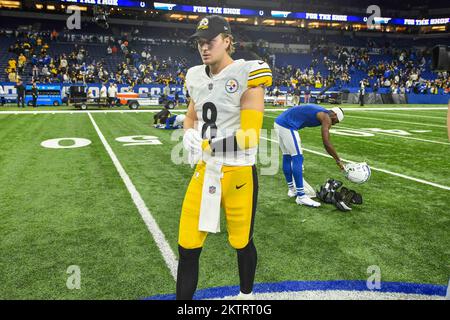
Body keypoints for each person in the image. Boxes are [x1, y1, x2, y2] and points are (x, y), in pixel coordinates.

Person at [177, 15, 272, 300]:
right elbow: (191, 116)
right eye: (200, 43)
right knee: (187, 244)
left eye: (211, 41)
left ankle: (246, 296)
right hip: (206, 170)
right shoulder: (194, 75)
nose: (204, 48)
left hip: (239, 172)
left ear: (228, 41)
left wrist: (205, 144)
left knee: (242, 241)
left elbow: (249, 138)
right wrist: (187, 132)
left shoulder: (247, 73)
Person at [274, 104, 345, 207]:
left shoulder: (323, 112)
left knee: (287, 156)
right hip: (287, 125)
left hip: (279, 123)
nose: (333, 124)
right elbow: (326, 142)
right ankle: (301, 196)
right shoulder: (326, 117)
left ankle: (292, 189)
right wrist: (338, 160)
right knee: (297, 157)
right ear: (334, 114)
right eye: (336, 121)